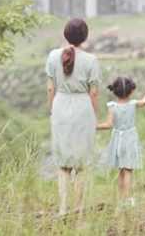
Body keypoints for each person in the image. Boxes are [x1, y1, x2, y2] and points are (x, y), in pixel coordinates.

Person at [45, 18, 102, 216]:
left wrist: (52, 110)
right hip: (82, 108)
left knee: (63, 163)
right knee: (81, 163)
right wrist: (95, 116)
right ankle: (78, 210)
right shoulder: (91, 60)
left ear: (65, 34)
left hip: (60, 105)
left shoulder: (53, 56)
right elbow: (94, 92)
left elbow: (50, 87)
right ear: (84, 37)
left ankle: (62, 209)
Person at [97, 76, 145, 207]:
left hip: (117, 140)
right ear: (130, 92)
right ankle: (127, 200)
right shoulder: (133, 104)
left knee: (121, 171)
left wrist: (94, 126)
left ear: (115, 92)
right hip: (130, 139)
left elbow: (108, 124)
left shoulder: (112, 106)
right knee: (128, 170)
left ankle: (121, 198)